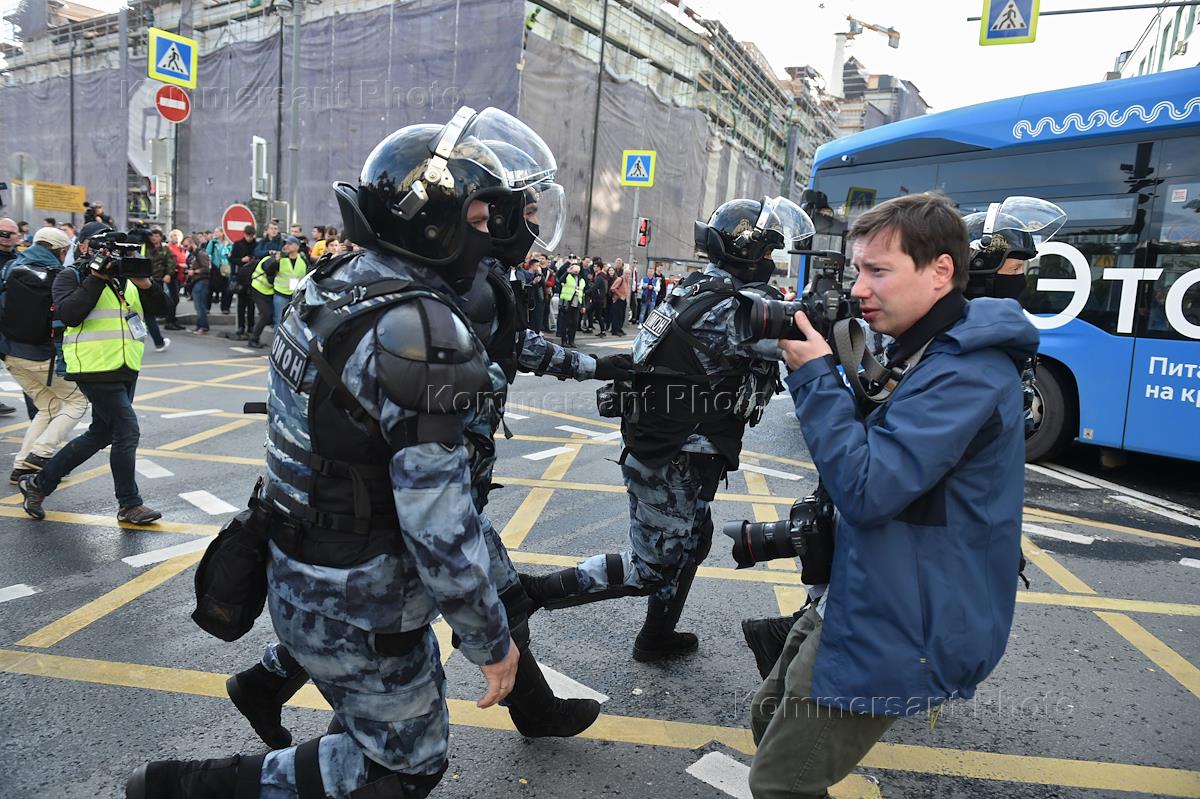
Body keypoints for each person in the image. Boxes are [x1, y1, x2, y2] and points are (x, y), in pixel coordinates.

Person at [126, 107, 617, 799]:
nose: (504, 230)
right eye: (485, 216)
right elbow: (437, 524)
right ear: (434, 223)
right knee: (402, 766)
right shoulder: (422, 331)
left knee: (373, 738)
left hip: (299, 562)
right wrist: (490, 641)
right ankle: (178, 788)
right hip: (363, 592)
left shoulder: (338, 281)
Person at [219, 158, 634, 765]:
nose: (517, 226)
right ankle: (505, 714)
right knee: (415, 654)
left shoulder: (398, 278)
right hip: (416, 497)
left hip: (403, 497)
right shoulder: (443, 296)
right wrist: (486, 641)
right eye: (499, 215)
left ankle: (269, 686)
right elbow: (431, 505)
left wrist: (594, 365)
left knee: (469, 603)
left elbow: (516, 347)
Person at [746, 192, 1038, 798]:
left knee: (781, 783)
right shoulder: (926, 349)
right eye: (858, 270)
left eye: (878, 271)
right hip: (868, 587)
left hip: (909, 615)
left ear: (940, 271)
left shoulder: (967, 372)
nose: (859, 289)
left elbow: (868, 488)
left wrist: (815, 377)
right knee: (766, 722)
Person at [520, 197, 814, 661]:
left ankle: (656, 637)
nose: (772, 261)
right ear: (748, 254)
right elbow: (807, 342)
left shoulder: (693, 288)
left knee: (693, 542)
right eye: (768, 252)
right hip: (676, 453)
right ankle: (530, 593)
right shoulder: (736, 308)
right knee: (650, 568)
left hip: (670, 444)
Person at [17, 223, 171, 525]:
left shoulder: (127, 278)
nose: (111, 254)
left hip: (125, 366)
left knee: (101, 433)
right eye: (103, 246)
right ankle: (129, 504)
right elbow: (70, 314)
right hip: (93, 367)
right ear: (85, 246)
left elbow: (165, 309)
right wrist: (97, 278)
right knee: (127, 430)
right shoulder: (71, 275)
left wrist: (145, 284)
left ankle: (38, 484)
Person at [0, 226, 90, 481]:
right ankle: (40, 453)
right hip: (40, 356)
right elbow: (64, 320)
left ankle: (22, 466)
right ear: (61, 251)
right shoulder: (59, 276)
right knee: (78, 402)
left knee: (48, 407)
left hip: (10, 354)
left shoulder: (10, 268)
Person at [230, 225, 259, 337]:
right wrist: (241, 260)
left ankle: (251, 326)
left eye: (251, 236)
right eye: (248, 236)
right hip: (241, 277)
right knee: (241, 304)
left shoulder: (256, 245)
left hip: (253, 276)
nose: (249, 238)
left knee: (251, 304)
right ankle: (241, 326)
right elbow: (232, 259)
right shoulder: (238, 244)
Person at [183, 236, 212, 333]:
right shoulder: (193, 255)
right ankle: (200, 326)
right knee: (198, 305)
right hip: (196, 281)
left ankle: (203, 327)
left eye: (186, 245)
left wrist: (194, 271)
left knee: (200, 305)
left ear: (193, 244)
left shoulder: (201, 254)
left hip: (201, 281)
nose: (185, 248)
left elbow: (206, 268)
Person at [206, 227, 233, 314]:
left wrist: (229, 255)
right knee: (210, 288)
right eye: (215, 232)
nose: (215, 233)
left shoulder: (228, 243)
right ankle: (207, 307)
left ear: (222, 233)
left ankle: (225, 308)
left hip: (225, 267)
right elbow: (208, 252)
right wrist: (209, 260)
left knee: (225, 288)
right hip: (215, 266)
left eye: (217, 232)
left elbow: (231, 254)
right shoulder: (213, 242)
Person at [558, 262, 585, 346]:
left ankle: (571, 341)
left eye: (578, 269)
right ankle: (564, 341)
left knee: (574, 323)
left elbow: (582, 293)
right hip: (567, 303)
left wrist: (583, 305)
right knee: (565, 323)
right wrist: (567, 272)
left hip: (577, 304)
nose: (576, 271)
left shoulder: (581, 279)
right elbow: (560, 281)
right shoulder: (567, 276)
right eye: (574, 268)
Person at [609, 259, 629, 336]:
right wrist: (620, 295)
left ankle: (619, 328)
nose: (627, 275)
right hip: (618, 299)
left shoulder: (627, 280)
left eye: (629, 274)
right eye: (626, 274)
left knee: (622, 315)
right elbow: (613, 288)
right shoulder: (620, 279)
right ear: (624, 273)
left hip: (623, 300)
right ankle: (615, 330)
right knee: (616, 315)